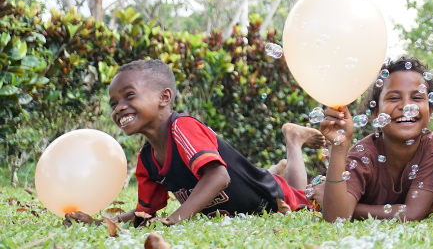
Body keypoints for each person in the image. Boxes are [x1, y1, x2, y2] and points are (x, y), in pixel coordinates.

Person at [68, 59, 323, 226]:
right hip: (241, 198)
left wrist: (175, 219)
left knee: (298, 198)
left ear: (164, 97)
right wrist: (98, 222)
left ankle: (293, 141)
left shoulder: (182, 127)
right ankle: (273, 169)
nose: (119, 108)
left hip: (267, 198)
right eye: (114, 103)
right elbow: (145, 213)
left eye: (129, 96)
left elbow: (218, 176)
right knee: (274, 182)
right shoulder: (147, 161)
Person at [317, 56, 433, 222]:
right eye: (394, 98)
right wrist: (339, 146)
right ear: (376, 112)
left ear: (429, 110)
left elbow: (413, 213)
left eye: (416, 98)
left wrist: (351, 208)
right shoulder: (361, 157)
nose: (406, 106)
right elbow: (336, 218)